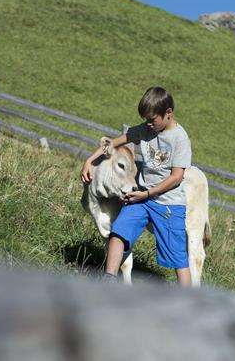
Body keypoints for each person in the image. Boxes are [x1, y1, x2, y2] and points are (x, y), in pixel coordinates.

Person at [80, 86, 192, 285]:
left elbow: (176, 177)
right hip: (141, 198)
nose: (148, 124)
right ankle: (109, 282)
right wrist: (89, 160)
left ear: (168, 113)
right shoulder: (146, 129)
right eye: (146, 120)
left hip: (169, 204)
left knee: (178, 258)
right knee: (119, 232)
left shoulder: (180, 139)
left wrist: (147, 193)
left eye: (152, 120)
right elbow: (114, 142)